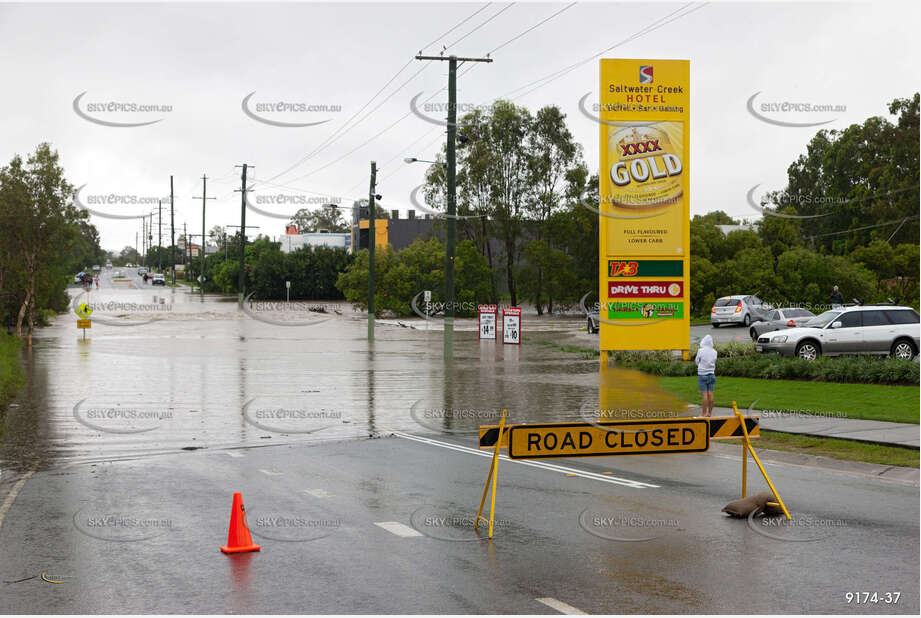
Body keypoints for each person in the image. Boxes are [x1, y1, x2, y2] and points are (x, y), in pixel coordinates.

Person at [695, 335, 717, 417]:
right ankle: (710, 413)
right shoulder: (715, 352)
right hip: (712, 375)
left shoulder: (700, 351)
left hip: (702, 375)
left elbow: (697, 361)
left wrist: (700, 365)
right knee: (711, 394)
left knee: (704, 395)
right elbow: (714, 361)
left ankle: (703, 414)